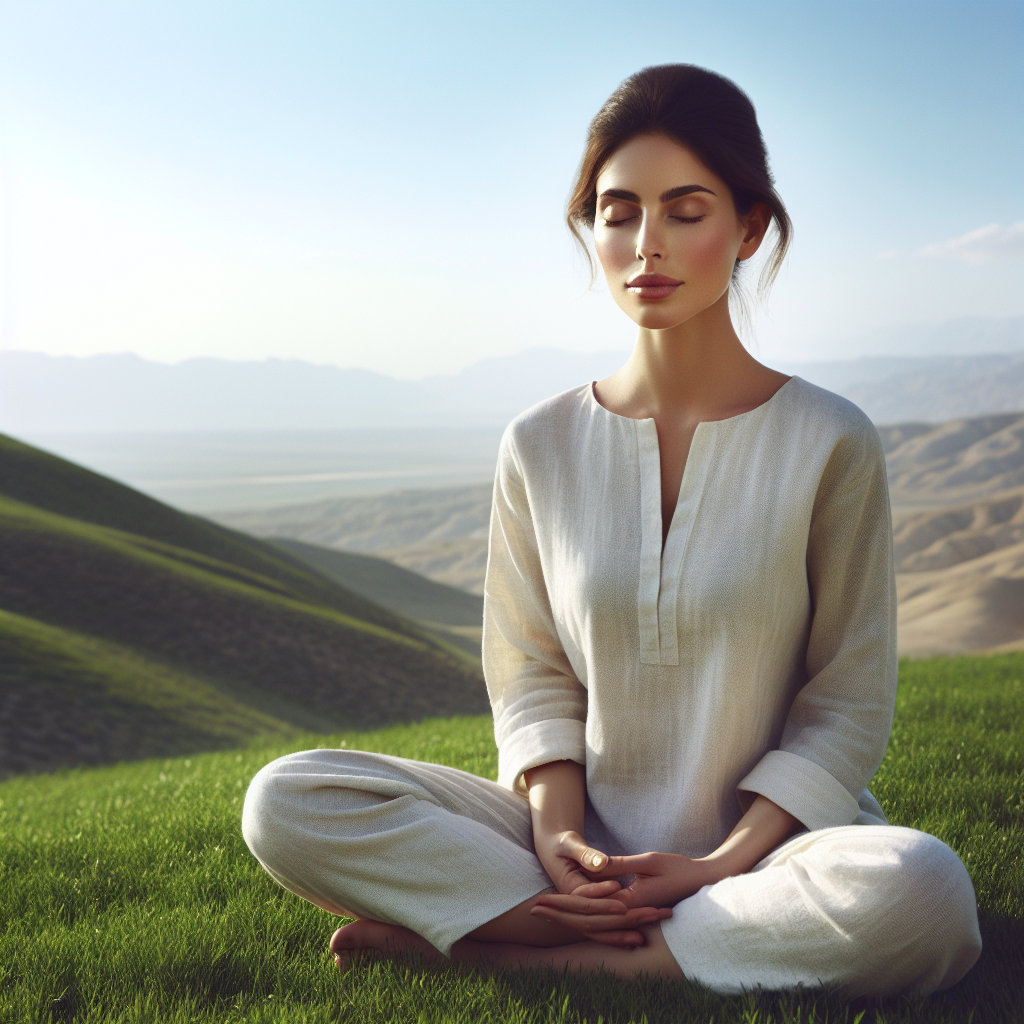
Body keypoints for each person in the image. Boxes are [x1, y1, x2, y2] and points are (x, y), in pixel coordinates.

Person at [242, 64, 982, 997]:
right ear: (588, 227)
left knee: (922, 892)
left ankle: (501, 950)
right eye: (617, 211)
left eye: (685, 210)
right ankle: (605, 929)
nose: (645, 247)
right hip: (574, 846)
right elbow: (532, 676)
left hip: (772, 855)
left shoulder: (829, 440)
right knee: (288, 799)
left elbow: (846, 702)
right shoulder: (539, 443)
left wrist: (716, 866)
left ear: (750, 227)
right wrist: (558, 841)